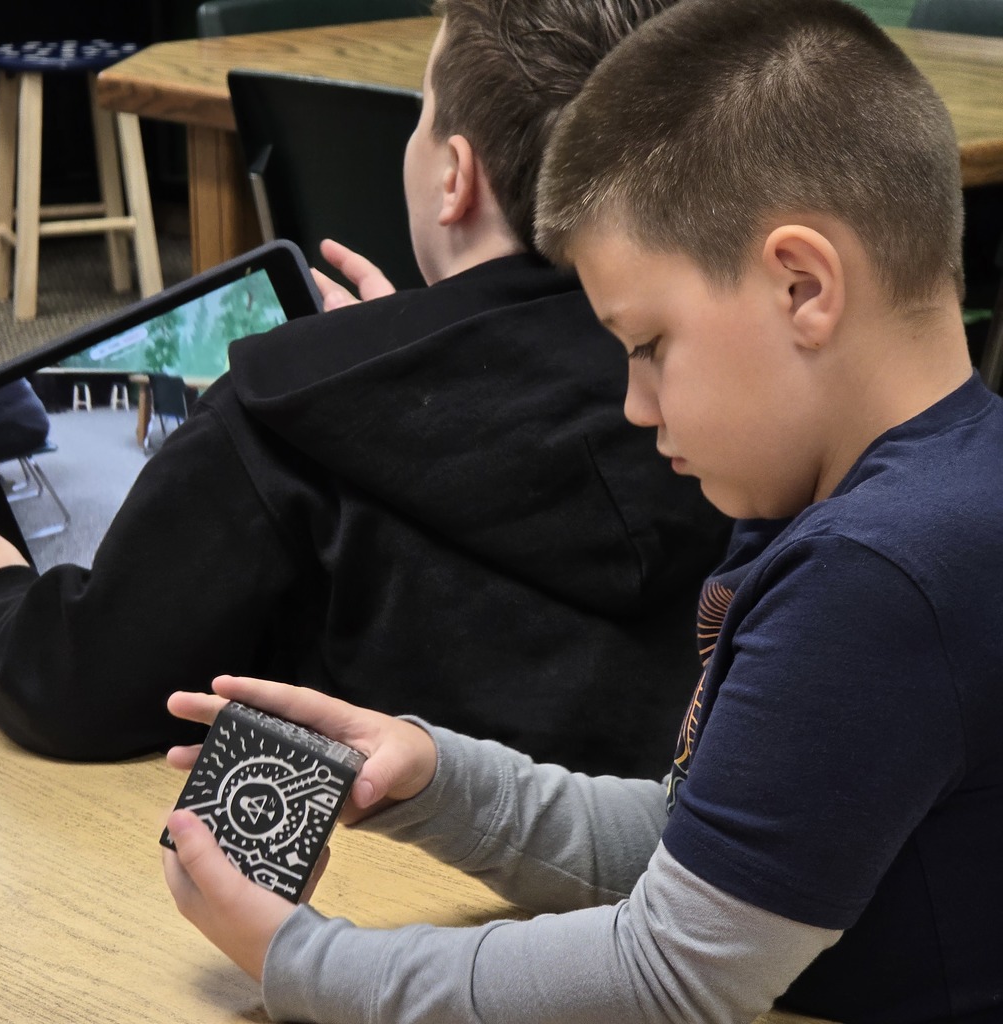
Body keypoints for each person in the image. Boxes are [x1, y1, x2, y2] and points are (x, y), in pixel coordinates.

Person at [160, 1, 1003, 1021]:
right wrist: (436, 778)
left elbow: (664, 977)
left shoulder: (874, 572)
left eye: (646, 346)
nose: (636, 406)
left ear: (801, 285)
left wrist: (300, 960)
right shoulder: (885, 495)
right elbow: (700, 844)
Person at [0, 0, 729, 776]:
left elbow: (76, 687)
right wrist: (412, 355)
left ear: (454, 177)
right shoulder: (741, 396)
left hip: (368, 879)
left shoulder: (282, 411)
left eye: (423, 112)